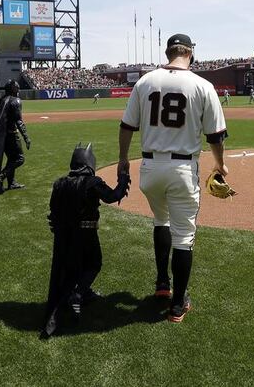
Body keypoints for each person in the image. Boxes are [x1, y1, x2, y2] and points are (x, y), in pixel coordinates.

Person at [118, 33, 228, 323]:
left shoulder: (145, 81)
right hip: (182, 170)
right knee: (184, 236)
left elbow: (127, 125)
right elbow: (215, 136)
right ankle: (178, 305)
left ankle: (162, 285)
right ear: (190, 54)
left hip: (150, 168)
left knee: (160, 220)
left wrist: (122, 160)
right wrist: (221, 166)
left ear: (168, 53)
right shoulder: (203, 85)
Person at [41, 143, 130, 337]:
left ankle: (82, 291)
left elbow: (53, 212)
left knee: (73, 266)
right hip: (87, 233)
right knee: (94, 263)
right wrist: (124, 178)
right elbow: (112, 196)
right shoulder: (92, 182)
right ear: (89, 163)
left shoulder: (60, 183)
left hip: (65, 237)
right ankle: (78, 294)